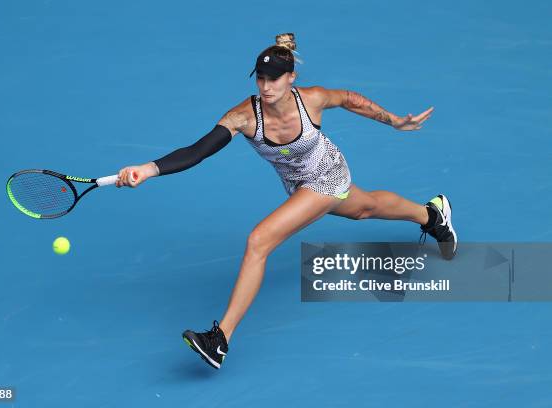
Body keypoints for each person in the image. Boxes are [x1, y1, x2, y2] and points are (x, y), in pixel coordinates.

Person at [115, 33, 457, 369]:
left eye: (274, 79)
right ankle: (431, 214)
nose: (266, 87)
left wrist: (395, 121)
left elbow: (349, 99)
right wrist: (149, 169)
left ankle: (220, 339)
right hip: (298, 185)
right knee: (364, 208)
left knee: (259, 241)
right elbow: (198, 150)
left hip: (326, 174)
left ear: (291, 78)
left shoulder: (312, 99)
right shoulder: (244, 117)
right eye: (261, 78)